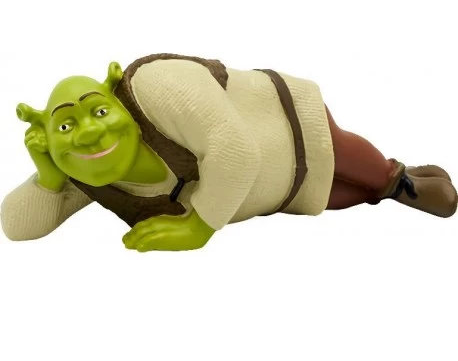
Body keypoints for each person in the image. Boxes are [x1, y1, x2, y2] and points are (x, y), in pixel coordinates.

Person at [1, 53, 456, 252]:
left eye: (98, 111)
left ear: (116, 93)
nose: (87, 134)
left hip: (291, 125)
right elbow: (16, 227)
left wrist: (198, 227)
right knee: (346, 197)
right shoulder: (85, 171)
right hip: (279, 194)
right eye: (65, 126)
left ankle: (402, 181)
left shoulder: (155, 86)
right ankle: (391, 189)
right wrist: (50, 176)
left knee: (362, 166)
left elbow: (235, 150)